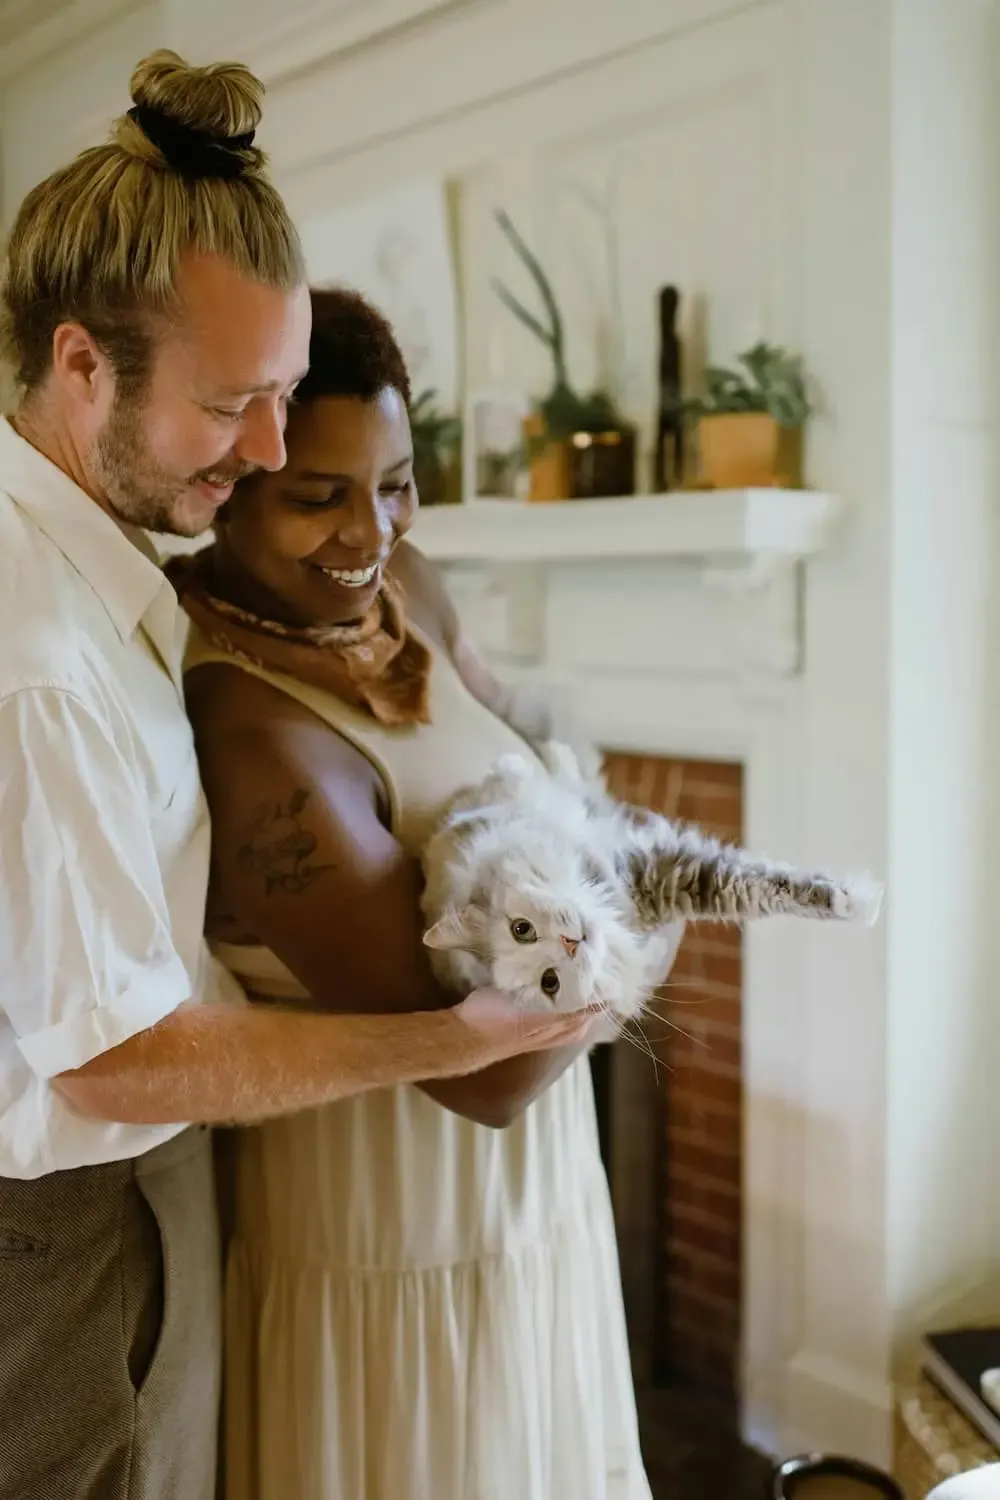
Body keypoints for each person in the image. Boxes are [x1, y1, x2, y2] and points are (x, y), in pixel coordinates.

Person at [0, 52, 590, 1500]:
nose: (267, 452)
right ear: (83, 364)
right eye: (233, 409)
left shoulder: (107, 580)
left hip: (152, 1187)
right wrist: (452, 1042)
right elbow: (114, 1049)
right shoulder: (36, 660)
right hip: (64, 1229)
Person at [172, 287, 679, 1500]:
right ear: (228, 486)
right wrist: (648, 913)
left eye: (394, 481)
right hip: (390, 1226)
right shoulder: (258, 745)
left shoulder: (408, 593)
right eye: (317, 495)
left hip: (530, 1203)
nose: (370, 529)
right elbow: (488, 1074)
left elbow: (529, 760)